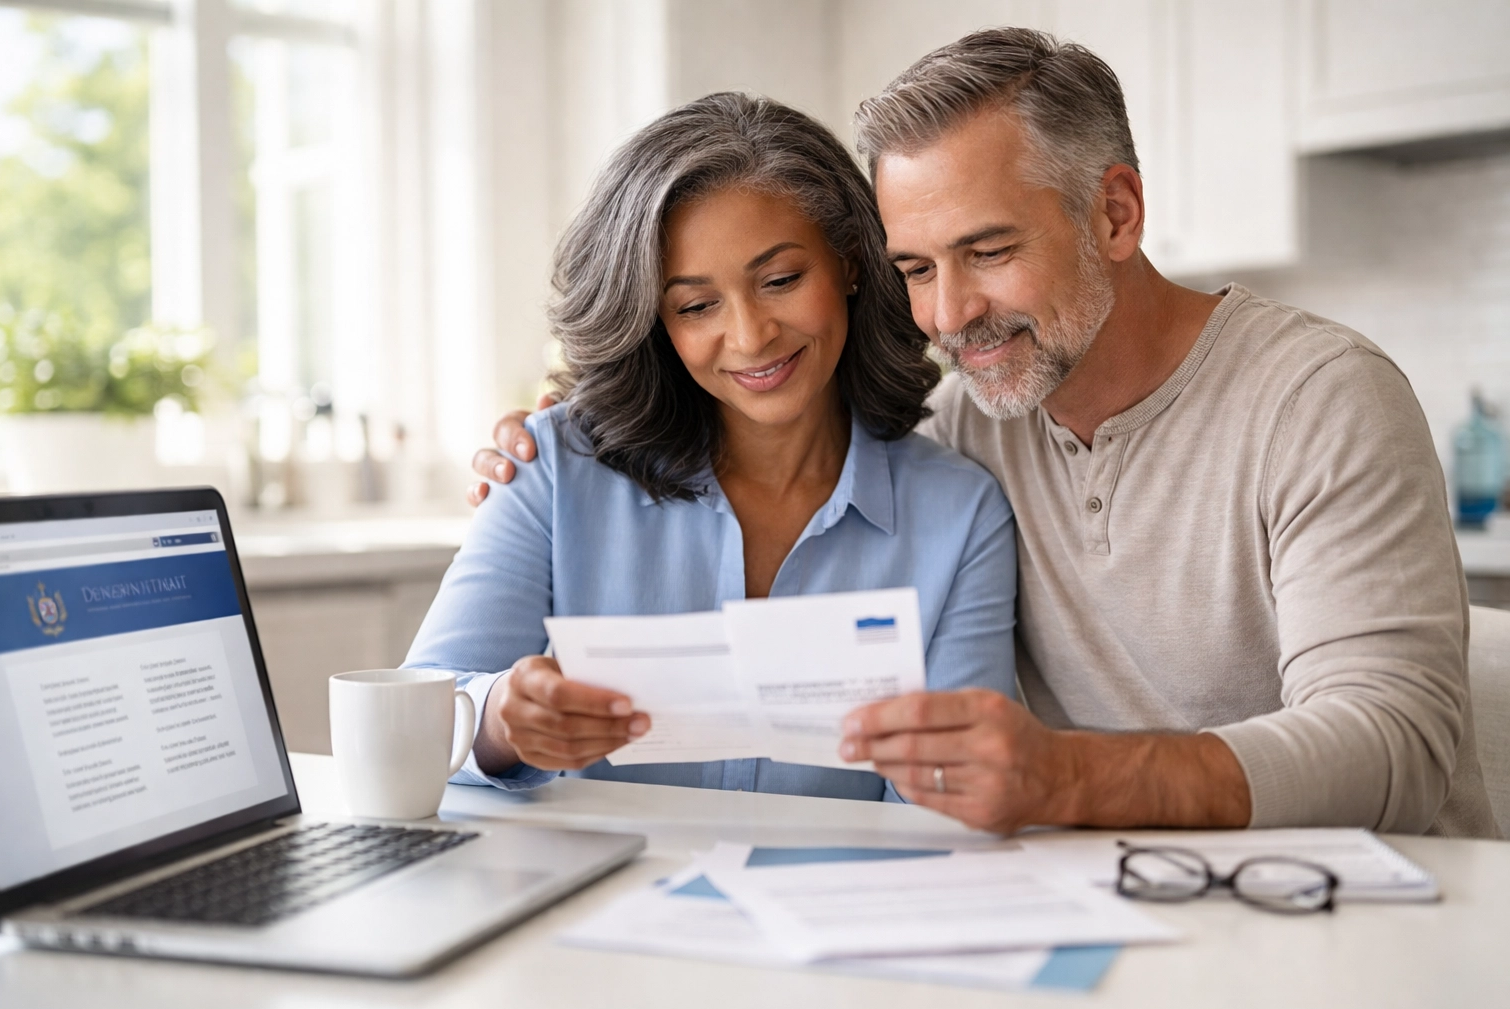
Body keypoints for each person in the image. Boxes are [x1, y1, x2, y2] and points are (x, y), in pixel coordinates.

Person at [471, 29, 1497, 837]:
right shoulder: (971, 424)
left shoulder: (1321, 400)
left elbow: (1392, 749)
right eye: (917, 267)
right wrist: (555, 432)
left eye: (989, 250)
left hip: (1375, 912)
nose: (951, 316)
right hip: (1128, 894)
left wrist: (1066, 775)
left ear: (1117, 214)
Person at [406, 92, 1017, 801]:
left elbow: (947, 805)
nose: (752, 336)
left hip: (839, 902)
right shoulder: (552, 473)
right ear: (653, 318)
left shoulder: (961, 515)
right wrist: (502, 725)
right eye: (696, 306)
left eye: (781, 280)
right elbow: (423, 712)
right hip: (597, 902)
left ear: (850, 263)